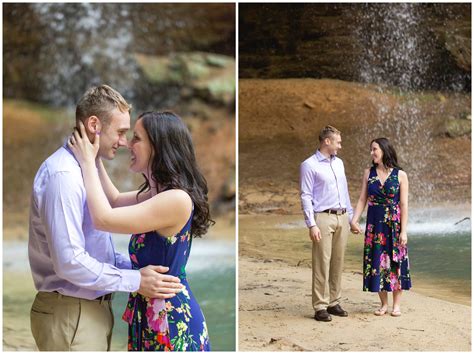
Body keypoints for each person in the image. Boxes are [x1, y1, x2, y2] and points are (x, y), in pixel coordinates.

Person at [28, 85, 183, 351]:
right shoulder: (64, 176)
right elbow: (69, 262)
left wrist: (137, 272)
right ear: (94, 125)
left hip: (87, 312)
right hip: (71, 313)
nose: (124, 142)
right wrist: (136, 281)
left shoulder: (85, 172)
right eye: (121, 132)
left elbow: (100, 242)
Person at [68, 110, 213, 351]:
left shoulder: (175, 199)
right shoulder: (158, 194)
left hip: (171, 322)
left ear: (157, 146)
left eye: (136, 138)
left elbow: (103, 218)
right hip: (151, 315)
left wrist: (85, 163)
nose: (127, 144)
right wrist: (94, 157)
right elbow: (112, 200)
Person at [350, 137, 411, 317]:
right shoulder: (368, 172)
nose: (372, 153)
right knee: (376, 262)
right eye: (371, 150)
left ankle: (396, 305)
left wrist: (404, 230)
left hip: (394, 225)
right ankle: (383, 304)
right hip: (374, 225)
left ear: (384, 150)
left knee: (395, 262)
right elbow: (362, 199)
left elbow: (404, 204)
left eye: (374, 149)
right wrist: (354, 220)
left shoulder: (401, 175)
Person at [299, 125, 354, 322]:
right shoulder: (309, 165)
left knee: (338, 261)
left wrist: (351, 217)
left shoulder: (339, 163)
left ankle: (334, 302)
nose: (340, 145)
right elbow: (305, 195)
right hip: (322, 217)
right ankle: (320, 306)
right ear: (327, 141)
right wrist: (311, 224)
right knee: (322, 261)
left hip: (342, 216)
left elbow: (345, 192)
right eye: (338, 142)